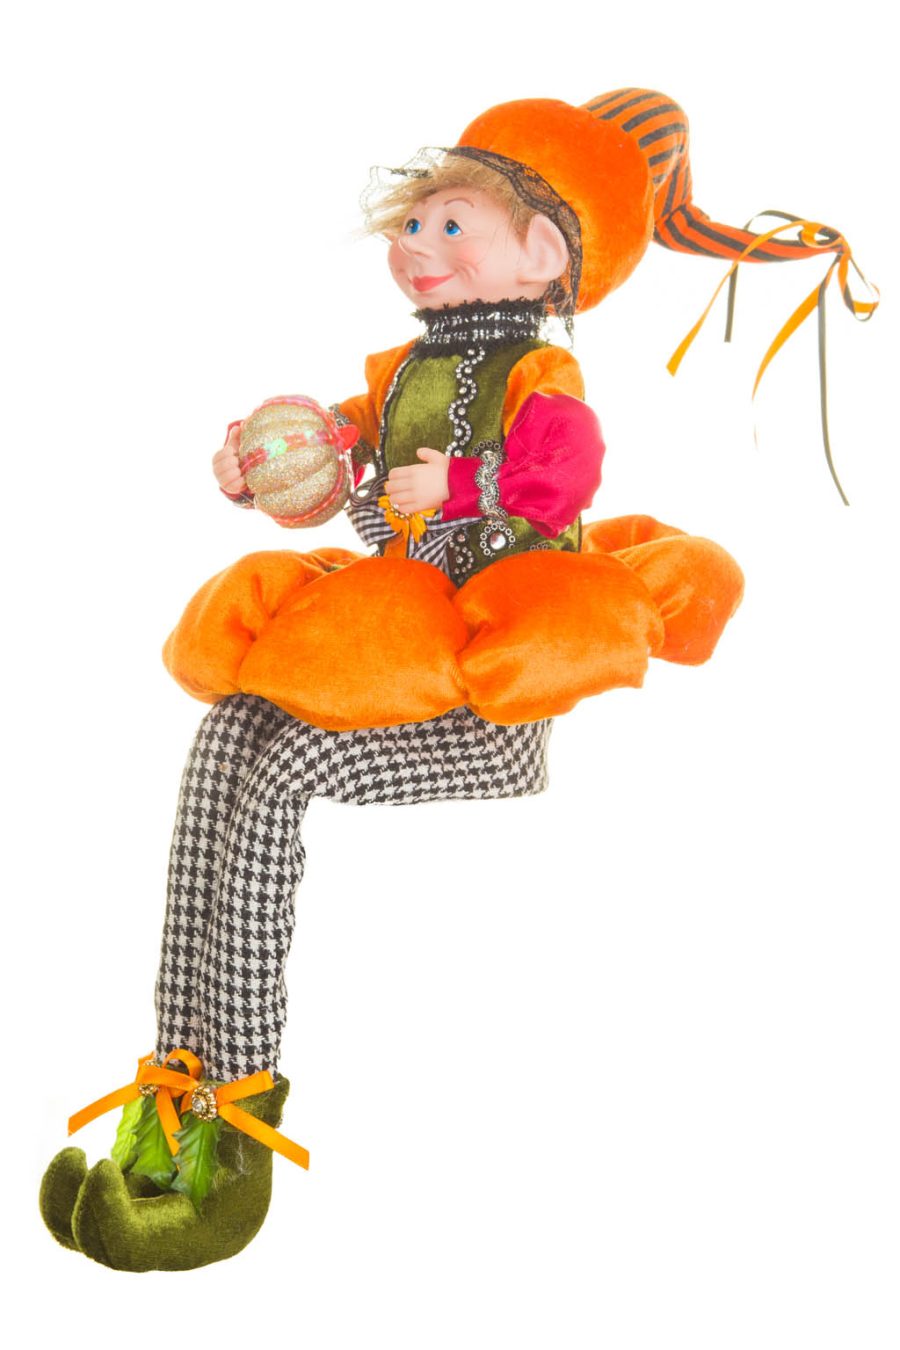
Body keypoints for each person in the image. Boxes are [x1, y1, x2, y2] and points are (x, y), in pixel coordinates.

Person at [50, 83, 870, 1270]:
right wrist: (261, 468)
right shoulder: (403, 374)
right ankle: (175, 1087)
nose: (415, 244)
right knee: (228, 738)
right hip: (410, 640)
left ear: (543, 255)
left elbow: (564, 478)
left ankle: (234, 1136)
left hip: (490, 687)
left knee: (279, 777)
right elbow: (339, 459)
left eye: (450, 225)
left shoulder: (539, 374)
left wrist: (464, 489)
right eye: (414, 223)